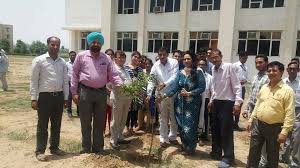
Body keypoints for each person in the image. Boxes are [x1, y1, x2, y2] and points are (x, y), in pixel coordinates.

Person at [71, 32, 123, 154]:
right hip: (85, 92)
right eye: (93, 42)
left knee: (100, 122)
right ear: (89, 43)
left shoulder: (106, 58)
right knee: (85, 121)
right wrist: (74, 92)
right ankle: (86, 148)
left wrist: (120, 84)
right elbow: (74, 74)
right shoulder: (81, 56)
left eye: (98, 42)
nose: (96, 44)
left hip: (101, 93)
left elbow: (113, 74)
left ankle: (98, 148)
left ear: (101, 44)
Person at [246, 61, 295, 168]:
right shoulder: (264, 87)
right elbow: (258, 104)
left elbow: (290, 113)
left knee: (272, 155)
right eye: (269, 71)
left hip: (274, 127)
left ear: (281, 72)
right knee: (253, 151)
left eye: (274, 70)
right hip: (258, 125)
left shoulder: (287, 91)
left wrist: (284, 132)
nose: (271, 73)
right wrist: (251, 119)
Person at [30, 36, 69, 161]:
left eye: (57, 45)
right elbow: (34, 80)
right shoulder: (39, 60)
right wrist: (33, 98)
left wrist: (66, 98)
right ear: (48, 45)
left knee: (57, 124)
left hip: (59, 97)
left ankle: (54, 147)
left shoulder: (62, 62)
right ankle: (40, 151)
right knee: (42, 125)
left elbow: (65, 81)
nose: (55, 47)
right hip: (44, 97)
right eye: (53, 44)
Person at [165, 51, 205, 154]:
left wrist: (190, 93)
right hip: (179, 104)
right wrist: (164, 95)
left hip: (192, 105)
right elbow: (175, 87)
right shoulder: (180, 72)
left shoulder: (198, 72)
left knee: (190, 127)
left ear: (193, 60)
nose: (186, 61)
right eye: (185, 59)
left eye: (189, 59)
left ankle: (191, 148)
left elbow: (202, 87)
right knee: (181, 125)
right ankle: (184, 145)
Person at [208, 48, 243, 168]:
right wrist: (212, 100)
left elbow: (237, 86)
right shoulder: (213, 69)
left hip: (227, 103)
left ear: (221, 56)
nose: (214, 59)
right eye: (212, 57)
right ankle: (217, 152)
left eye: (216, 57)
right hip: (216, 102)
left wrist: (237, 103)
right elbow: (214, 87)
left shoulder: (229, 67)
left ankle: (228, 157)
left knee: (226, 131)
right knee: (215, 128)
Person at [146, 47, 179, 148]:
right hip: (161, 95)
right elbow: (151, 79)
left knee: (173, 117)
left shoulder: (174, 62)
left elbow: (175, 77)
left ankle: (173, 137)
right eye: (160, 55)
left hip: (173, 94)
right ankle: (163, 138)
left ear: (167, 54)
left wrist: (165, 83)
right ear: (158, 55)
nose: (162, 57)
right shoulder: (156, 65)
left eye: (164, 54)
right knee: (163, 118)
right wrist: (149, 93)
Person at [109, 50, 132, 150]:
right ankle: (113, 140)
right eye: (120, 57)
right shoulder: (113, 68)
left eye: (123, 57)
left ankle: (120, 137)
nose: (122, 59)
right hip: (118, 97)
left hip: (127, 97)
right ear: (115, 58)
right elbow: (111, 83)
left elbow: (128, 81)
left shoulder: (125, 68)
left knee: (123, 118)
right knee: (116, 119)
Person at [280, 62, 300, 168]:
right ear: (287, 70)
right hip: (283, 112)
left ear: (298, 70)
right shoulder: (282, 83)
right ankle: (284, 157)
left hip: (297, 113)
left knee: (296, 139)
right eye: (290, 69)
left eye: (294, 69)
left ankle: (295, 162)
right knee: (284, 135)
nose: (292, 71)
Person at [125, 51, 143, 135]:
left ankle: (132, 127)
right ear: (131, 57)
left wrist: (138, 90)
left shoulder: (140, 69)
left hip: (137, 94)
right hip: (127, 93)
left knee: (134, 111)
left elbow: (142, 81)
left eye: (138, 57)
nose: (136, 59)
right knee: (127, 110)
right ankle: (126, 128)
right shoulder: (126, 67)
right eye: (135, 57)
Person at [197, 59, 213, 145]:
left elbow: (212, 91)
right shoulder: (194, 75)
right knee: (196, 118)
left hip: (206, 99)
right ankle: (195, 136)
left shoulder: (209, 77)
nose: (201, 66)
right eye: (199, 64)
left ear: (206, 66)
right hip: (196, 100)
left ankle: (203, 136)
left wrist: (211, 101)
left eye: (203, 64)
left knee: (205, 118)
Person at [136, 58, 154, 131]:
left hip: (150, 95)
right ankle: (140, 125)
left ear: (151, 65)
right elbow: (138, 83)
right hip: (141, 94)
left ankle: (147, 126)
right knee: (140, 110)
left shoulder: (153, 73)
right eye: (146, 64)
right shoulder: (141, 72)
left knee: (148, 110)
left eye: (149, 64)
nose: (147, 65)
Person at [232, 51, 248, 131]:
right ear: (240, 57)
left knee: (240, 105)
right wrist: (238, 82)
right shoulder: (235, 65)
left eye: (246, 58)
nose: (245, 60)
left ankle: (236, 123)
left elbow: (245, 77)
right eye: (244, 58)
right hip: (235, 88)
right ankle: (231, 123)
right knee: (233, 105)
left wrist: (245, 81)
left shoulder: (245, 67)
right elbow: (231, 77)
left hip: (243, 88)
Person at [104, 48, 114, 136]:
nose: (109, 56)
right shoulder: (101, 65)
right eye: (108, 54)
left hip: (113, 93)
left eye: (111, 54)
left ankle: (111, 131)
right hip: (103, 93)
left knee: (111, 115)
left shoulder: (115, 66)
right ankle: (101, 132)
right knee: (102, 114)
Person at [66, 51, 79, 118]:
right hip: (69, 83)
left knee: (78, 97)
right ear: (69, 56)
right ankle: (69, 112)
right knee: (69, 98)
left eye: (74, 55)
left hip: (77, 83)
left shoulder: (78, 64)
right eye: (71, 55)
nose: (73, 56)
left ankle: (78, 112)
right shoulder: (67, 64)